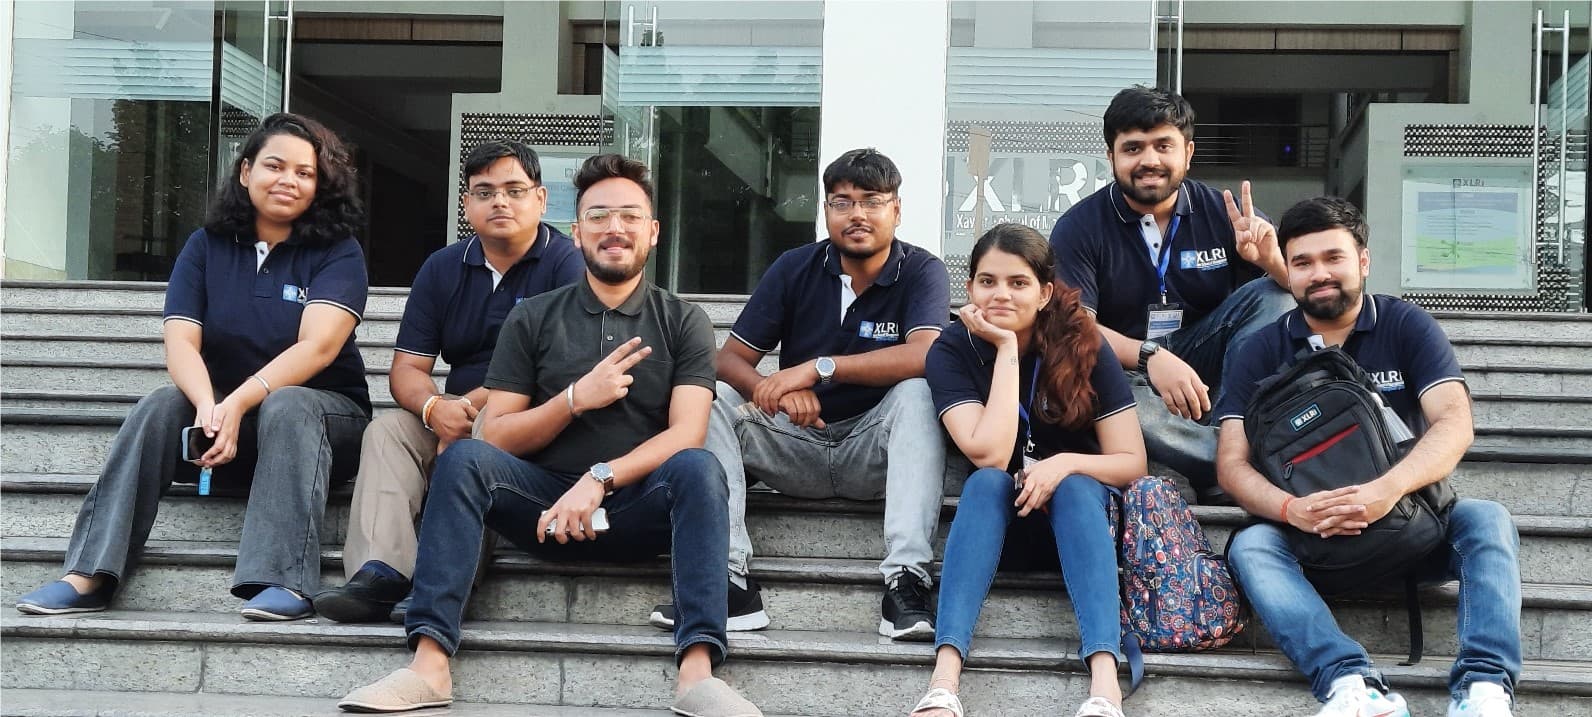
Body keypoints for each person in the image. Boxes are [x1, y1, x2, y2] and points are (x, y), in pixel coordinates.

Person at [338, 154, 761, 717]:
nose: (615, 229)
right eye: (600, 216)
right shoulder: (534, 316)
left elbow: (688, 432)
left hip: (635, 508)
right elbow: (503, 435)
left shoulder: (684, 320)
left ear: (653, 232)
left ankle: (697, 671)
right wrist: (572, 400)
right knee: (465, 458)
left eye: (630, 217)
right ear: (576, 230)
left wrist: (599, 479)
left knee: (700, 467)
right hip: (540, 507)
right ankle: (429, 665)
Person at [14, 113, 371, 621]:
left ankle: (284, 581)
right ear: (246, 171)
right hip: (227, 424)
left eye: (305, 173)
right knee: (162, 404)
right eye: (275, 166)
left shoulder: (337, 252)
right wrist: (208, 407)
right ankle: (89, 573)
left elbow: (318, 348)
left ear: (320, 185)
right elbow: (181, 341)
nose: (288, 180)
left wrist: (240, 401)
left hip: (324, 427)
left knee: (290, 404)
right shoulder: (207, 246)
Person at [1214, 197, 1521, 717]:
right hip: (1313, 537)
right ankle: (1353, 687)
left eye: (1333, 257)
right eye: (1303, 262)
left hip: (1413, 524)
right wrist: (1293, 511)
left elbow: (1454, 422)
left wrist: (1387, 490)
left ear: (1363, 260)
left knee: (1486, 518)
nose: (1319, 274)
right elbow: (1231, 462)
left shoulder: (1406, 325)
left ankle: (1484, 690)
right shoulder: (1258, 349)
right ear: (1286, 270)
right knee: (1250, 546)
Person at [648, 148, 949, 641]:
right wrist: (776, 394)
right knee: (714, 397)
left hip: (873, 448)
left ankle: (905, 583)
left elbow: (926, 354)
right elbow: (727, 360)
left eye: (872, 201)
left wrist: (816, 369)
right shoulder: (796, 267)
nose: (857, 214)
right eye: (842, 202)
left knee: (918, 392)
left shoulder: (922, 270)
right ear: (825, 211)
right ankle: (726, 581)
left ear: (896, 209)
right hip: (796, 442)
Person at [314, 139, 582, 623]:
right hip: (457, 409)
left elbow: (552, 368)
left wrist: (464, 414)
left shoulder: (566, 265)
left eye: (514, 190)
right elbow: (407, 370)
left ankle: (443, 584)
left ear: (540, 200)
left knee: (474, 446)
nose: (499, 201)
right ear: (466, 204)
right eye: (484, 192)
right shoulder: (443, 268)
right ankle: (379, 573)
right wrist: (434, 411)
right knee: (389, 430)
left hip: (530, 418)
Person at [909, 224, 1145, 717]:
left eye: (1018, 283)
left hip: (1081, 530)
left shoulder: (1084, 343)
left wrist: (1061, 465)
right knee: (986, 482)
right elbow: (989, 453)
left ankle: (1105, 683)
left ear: (1045, 292)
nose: (1000, 294)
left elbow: (1131, 462)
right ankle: (944, 678)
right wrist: (1007, 350)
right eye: (987, 281)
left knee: (1078, 486)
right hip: (999, 526)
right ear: (969, 288)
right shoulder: (952, 351)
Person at [1048, 85, 1295, 503]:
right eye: (1133, 148)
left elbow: (1314, 296)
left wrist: (1272, 261)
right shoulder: (1079, 227)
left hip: (1211, 367)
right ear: (1111, 157)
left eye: (1164, 145)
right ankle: (1243, 465)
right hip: (1125, 372)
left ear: (1189, 152)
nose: (1149, 161)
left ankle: (1221, 448)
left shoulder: (1227, 212)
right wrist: (1151, 356)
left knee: (1275, 296)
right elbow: (1075, 327)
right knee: (1108, 398)